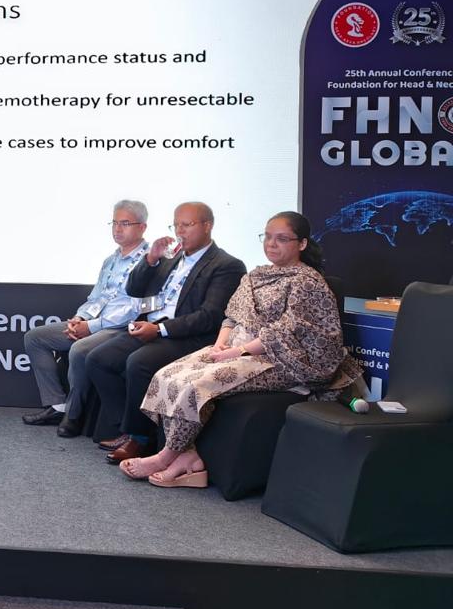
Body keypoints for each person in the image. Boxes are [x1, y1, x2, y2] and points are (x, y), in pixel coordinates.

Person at [119, 211, 362, 486]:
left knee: (196, 385)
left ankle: (165, 456)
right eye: (267, 237)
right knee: (167, 375)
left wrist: (236, 352)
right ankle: (188, 456)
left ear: (302, 244)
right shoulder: (256, 275)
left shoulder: (307, 282)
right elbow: (232, 317)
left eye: (282, 239)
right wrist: (220, 344)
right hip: (236, 347)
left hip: (283, 359)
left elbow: (283, 333)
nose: (271, 244)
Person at [87, 201, 246, 463]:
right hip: (150, 327)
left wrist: (160, 329)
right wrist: (150, 259)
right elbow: (134, 289)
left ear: (208, 226)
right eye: (176, 225)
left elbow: (210, 316)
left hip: (187, 336)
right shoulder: (170, 257)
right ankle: (126, 428)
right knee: (98, 359)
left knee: (138, 363)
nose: (180, 231)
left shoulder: (226, 265)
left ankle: (140, 439)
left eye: (187, 224)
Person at [21, 200, 150, 437]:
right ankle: (58, 405)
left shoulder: (149, 262)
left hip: (119, 328)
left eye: (125, 223)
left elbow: (132, 310)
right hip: (92, 322)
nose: (117, 229)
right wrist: (79, 318)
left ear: (142, 227)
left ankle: (73, 414)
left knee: (78, 350)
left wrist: (90, 326)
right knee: (35, 338)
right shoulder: (110, 260)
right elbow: (96, 297)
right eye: (114, 223)